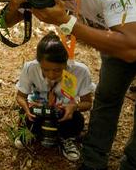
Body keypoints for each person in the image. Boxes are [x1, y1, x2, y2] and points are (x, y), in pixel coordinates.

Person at [6, 0, 136, 170]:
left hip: (128, 39)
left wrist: (65, 21)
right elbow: (7, 22)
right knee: (106, 98)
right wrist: (14, 4)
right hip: (117, 39)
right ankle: (93, 162)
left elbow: (132, 48)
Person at [15, 32, 94, 162]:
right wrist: (27, 108)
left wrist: (74, 106)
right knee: (25, 115)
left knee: (77, 120)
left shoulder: (80, 71)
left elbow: (87, 103)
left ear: (66, 62)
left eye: (57, 70)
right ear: (39, 62)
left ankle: (66, 138)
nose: (51, 74)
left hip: (63, 115)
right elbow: (20, 96)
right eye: (45, 70)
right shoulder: (30, 68)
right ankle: (30, 132)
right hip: (37, 112)